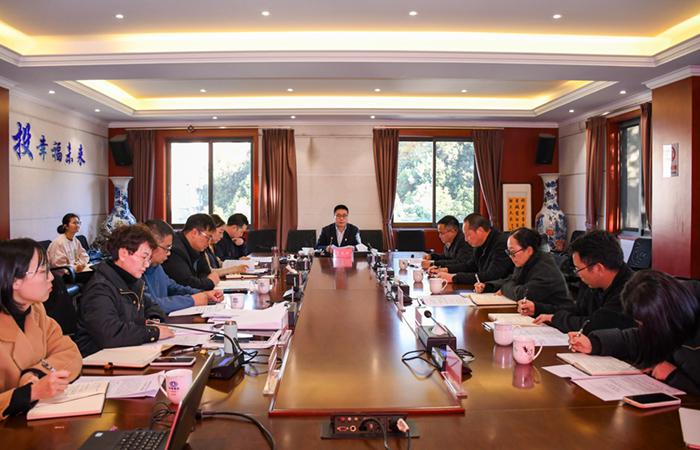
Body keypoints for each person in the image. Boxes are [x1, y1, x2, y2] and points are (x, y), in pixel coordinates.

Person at [569, 270, 700, 395]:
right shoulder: (672, 309)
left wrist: (674, 376)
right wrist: (594, 344)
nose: (644, 329)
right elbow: (640, 338)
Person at [0, 238, 82, 420]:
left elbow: (69, 353)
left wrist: (35, 373)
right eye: (43, 271)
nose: (51, 277)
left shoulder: (35, 310)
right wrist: (30, 393)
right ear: (14, 280)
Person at [73, 225, 173, 356]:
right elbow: (110, 334)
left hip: (125, 353)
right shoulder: (99, 288)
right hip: (99, 360)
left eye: (149, 259)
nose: (147, 264)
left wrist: (154, 320)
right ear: (123, 254)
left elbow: (152, 307)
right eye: (144, 257)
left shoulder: (132, 281)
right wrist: (153, 332)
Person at [519, 230, 635, 334]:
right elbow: (578, 311)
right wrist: (538, 308)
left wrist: (555, 319)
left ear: (598, 268)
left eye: (578, 269)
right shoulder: (594, 283)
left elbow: (594, 325)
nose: (578, 274)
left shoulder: (631, 291)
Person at [473, 227, 570, 307]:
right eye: (508, 252)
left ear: (529, 250)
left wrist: (504, 289)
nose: (510, 256)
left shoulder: (545, 268)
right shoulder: (527, 260)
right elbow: (513, 279)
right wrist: (488, 286)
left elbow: (523, 294)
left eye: (512, 252)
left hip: (556, 318)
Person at [143, 220, 223, 315]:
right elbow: (150, 304)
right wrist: (191, 300)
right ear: (151, 246)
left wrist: (203, 294)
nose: (169, 253)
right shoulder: (137, 271)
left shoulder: (157, 266)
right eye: (167, 248)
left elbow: (173, 287)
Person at [432, 213, 513, 284]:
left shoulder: (501, 243)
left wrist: (454, 277)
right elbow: (470, 266)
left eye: (468, 235)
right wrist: (446, 270)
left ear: (480, 230)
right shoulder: (479, 243)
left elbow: (492, 275)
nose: (466, 239)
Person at [161, 214, 220, 290]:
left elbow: (205, 272)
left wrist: (203, 281)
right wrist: (209, 282)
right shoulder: (175, 250)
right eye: (208, 237)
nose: (209, 243)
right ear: (194, 233)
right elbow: (186, 282)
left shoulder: (199, 248)